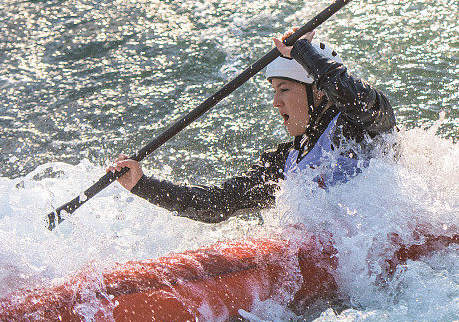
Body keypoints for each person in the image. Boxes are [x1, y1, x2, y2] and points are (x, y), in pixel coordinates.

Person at [109, 29, 396, 223]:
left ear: (318, 92)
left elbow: (352, 94)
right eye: (273, 92)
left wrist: (305, 54)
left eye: (284, 90)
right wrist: (142, 185)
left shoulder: (361, 127)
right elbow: (219, 203)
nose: (275, 103)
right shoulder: (286, 161)